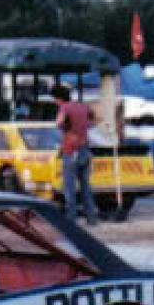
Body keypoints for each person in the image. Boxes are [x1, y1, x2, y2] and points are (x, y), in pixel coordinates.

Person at [52, 84, 99, 224]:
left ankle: (71, 220)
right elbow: (94, 120)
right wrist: (84, 126)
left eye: (55, 99)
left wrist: (66, 128)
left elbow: (58, 122)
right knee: (85, 186)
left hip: (71, 150)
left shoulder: (64, 107)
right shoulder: (83, 106)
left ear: (59, 98)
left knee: (69, 187)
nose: (55, 102)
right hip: (85, 149)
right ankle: (91, 218)